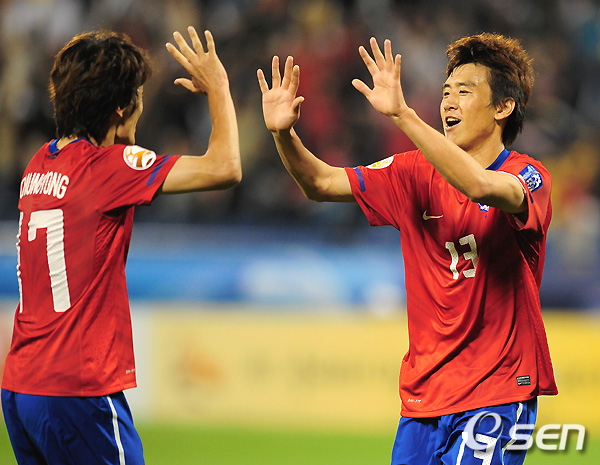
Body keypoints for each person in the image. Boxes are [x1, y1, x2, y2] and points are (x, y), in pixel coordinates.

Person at [258, 32, 557, 465]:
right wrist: (283, 134)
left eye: (465, 92)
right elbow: (320, 182)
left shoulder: (529, 176)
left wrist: (402, 114)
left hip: (496, 392)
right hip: (423, 399)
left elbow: (479, 185)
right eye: (446, 92)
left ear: (503, 107)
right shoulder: (411, 172)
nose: (449, 102)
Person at [1, 26, 241, 465]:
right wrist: (219, 88)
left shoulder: (39, 163)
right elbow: (225, 167)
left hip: (21, 387)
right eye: (139, 97)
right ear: (122, 106)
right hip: (77, 389)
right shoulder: (109, 167)